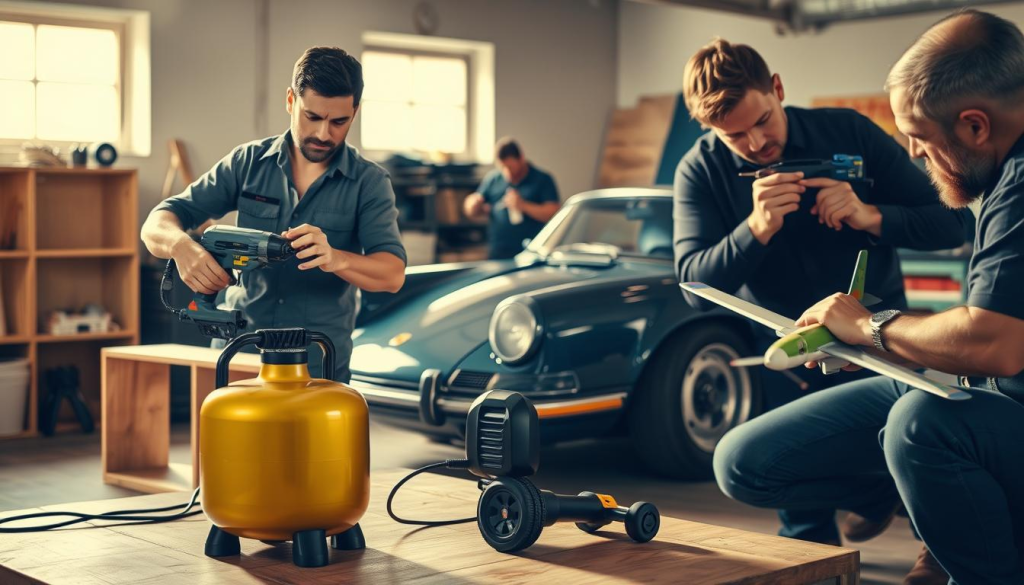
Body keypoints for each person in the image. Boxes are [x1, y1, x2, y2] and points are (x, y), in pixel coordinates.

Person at [712, 10, 1024, 584]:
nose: (913, 153)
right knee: (741, 461)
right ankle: (901, 493)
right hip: (976, 387)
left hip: (995, 400)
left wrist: (870, 327)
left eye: (918, 136)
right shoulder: (1006, 178)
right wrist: (756, 229)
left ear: (975, 126)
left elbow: (996, 343)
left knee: (918, 424)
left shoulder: (1019, 186)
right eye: (734, 136)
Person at [673, 39, 967, 554]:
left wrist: (872, 216)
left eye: (762, 120)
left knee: (916, 467)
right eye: (734, 135)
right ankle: (867, 501)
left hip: (879, 343)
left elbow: (954, 222)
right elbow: (694, 287)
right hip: (788, 360)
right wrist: (755, 229)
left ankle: (931, 551)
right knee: (800, 520)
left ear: (778, 88)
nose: (756, 142)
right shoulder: (699, 171)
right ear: (707, 127)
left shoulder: (849, 131)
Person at [141, 47, 406, 383]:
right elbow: (157, 222)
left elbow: (392, 274)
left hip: (316, 365)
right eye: (313, 117)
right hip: (238, 356)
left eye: (339, 122)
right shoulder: (247, 162)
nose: (324, 134)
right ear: (291, 101)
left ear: (355, 111)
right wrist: (181, 248)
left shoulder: (370, 182)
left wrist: (335, 258)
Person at [463, 138, 560, 259]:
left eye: (510, 167)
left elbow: (553, 213)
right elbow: (471, 210)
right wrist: (474, 204)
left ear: (521, 159)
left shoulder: (542, 179)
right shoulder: (493, 179)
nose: (507, 172)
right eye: (503, 167)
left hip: (531, 251)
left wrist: (523, 206)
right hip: (498, 251)